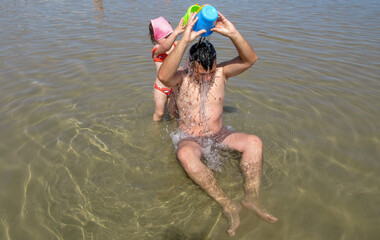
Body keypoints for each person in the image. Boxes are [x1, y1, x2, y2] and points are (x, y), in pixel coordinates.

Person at [158, 12, 278, 236]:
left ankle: (252, 198)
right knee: (185, 155)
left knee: (254, 142)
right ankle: (226, 203)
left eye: (210, 71)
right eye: (202, 73)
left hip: (219, 134)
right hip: (190, 138)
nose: (207, 77)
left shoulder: (221, 73)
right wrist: (184, 40)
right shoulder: (182, 77)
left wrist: (232, 33)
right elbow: (164, 77)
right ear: (191, 66)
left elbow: (250, 59)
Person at [149, 16, 184, 121]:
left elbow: (186, 41)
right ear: (155, 38)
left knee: (174, 114)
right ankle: (155, 130)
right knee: (159, 113)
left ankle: (174, 132)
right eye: (166, 37)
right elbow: (166, 47)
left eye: (170, 35)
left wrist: (193, 28)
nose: (170, 38)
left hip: (173, 87)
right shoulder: (156, 51)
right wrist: (176, 32)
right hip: (160, 88)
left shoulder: (175, 45)